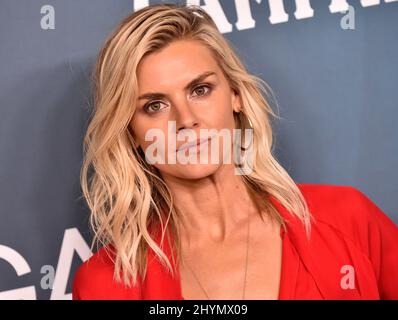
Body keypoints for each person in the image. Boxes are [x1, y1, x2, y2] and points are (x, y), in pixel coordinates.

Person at [72, 3, 398, 300]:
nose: (185, 121)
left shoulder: (347, 220)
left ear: (236, 96)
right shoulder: (106, 285)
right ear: (131, 133)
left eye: (200, 90)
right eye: (155, 105)